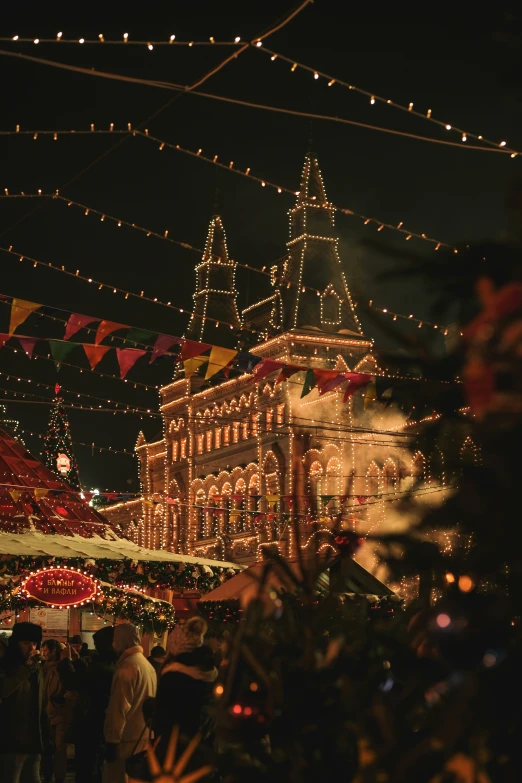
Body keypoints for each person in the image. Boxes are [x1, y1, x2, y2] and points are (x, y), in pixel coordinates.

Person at [103, 623, 157, 783]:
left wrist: (112, 740)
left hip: (125, 740)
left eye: (115, 640)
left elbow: (118, 708)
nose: (113, 644)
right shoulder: (146, 665)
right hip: (143, 736)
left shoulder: (126, 669)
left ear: (122, 641)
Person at [154, 617, 218, 749]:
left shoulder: (173, 677)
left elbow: (162, 718)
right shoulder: (210, 673)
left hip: (174, 749)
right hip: (203, 747)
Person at [0, 621, 44, 783]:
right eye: (26, 643)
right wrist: (25, 669)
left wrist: (45, 737)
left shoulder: (36, 670)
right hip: (10, 741)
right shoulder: (7, 666)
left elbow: (40, 704)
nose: (31, 648)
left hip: (32, 742)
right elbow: (4, 690)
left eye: (34, 643)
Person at [74, 626, 117, 783]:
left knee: (88, 765)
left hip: (93, 721)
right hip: (100, 721)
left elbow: (78, 682)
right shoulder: (113, 664)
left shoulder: (102, 666)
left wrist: (67, 662)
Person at [40, 639, 75, 783]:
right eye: (42, 651)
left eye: (46, 650)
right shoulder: (43, 668)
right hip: (46, 713)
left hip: (60, 713)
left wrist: (63, 700)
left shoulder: (63, 668)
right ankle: (47, 775)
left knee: (60, 749)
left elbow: (72, 688)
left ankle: (59, 778)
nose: (43, 653)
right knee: (47, 748)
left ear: (54, 651)